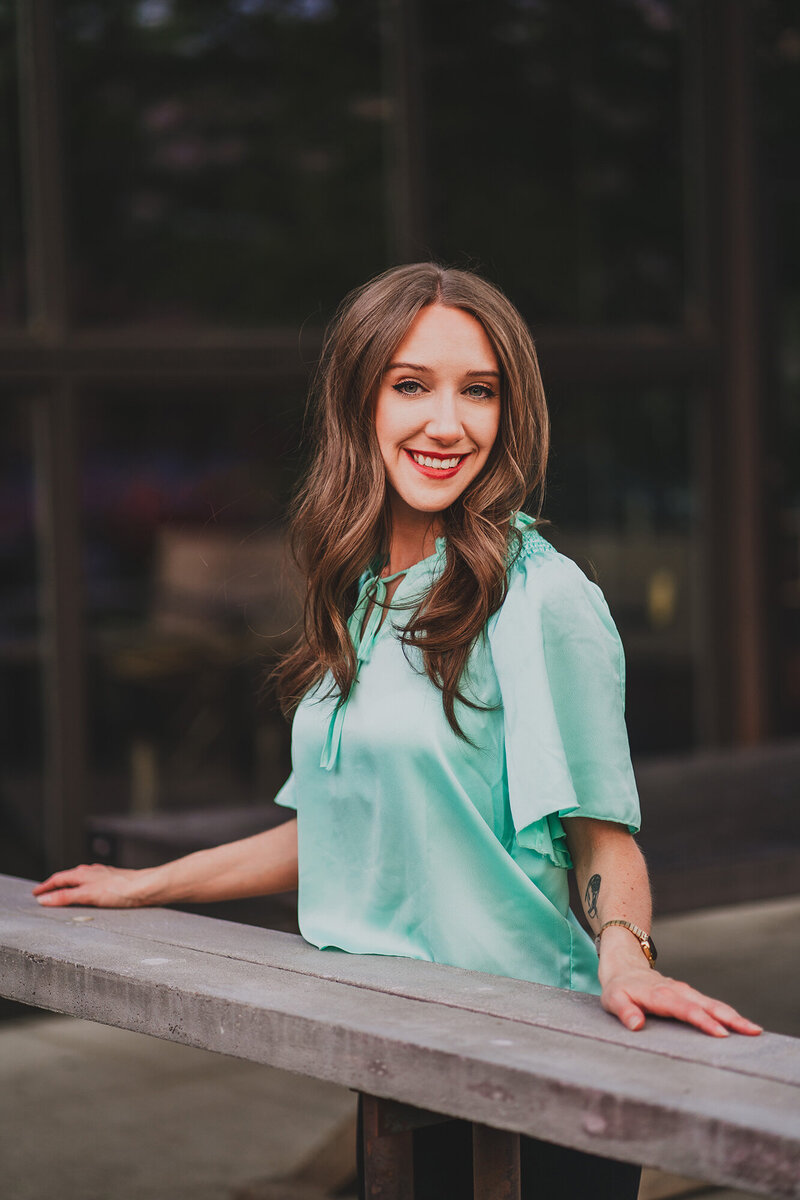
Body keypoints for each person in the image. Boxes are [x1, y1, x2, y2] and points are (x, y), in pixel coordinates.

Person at [33, 263, 761, 1200]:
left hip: (537, 1061)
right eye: (411, 385)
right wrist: (147, 885)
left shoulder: (543, 597)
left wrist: (628, 953)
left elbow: (601, 838)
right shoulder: (361, 596)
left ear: (510, 412)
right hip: (401, 1050)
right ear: (359, 404)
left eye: (480, 391)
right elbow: (341, 827)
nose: (447, 424)